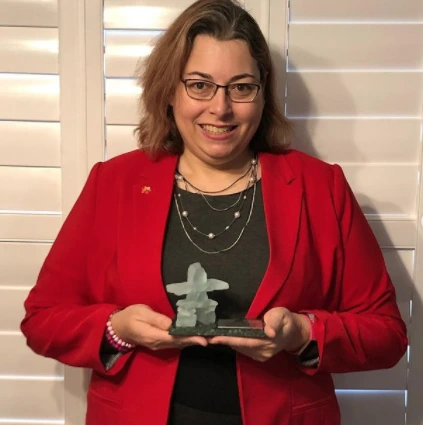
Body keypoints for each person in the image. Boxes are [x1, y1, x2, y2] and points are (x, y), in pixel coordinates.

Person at [21, 0, 407, 424]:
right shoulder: (114, 184)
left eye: (241, 87)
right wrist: (118, 328)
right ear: (170, 90)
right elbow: (43, 320)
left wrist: (303, 333)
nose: (220, 109)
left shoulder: (321, 187)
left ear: (262, 94)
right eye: (199, 85)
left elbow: (386, 333)